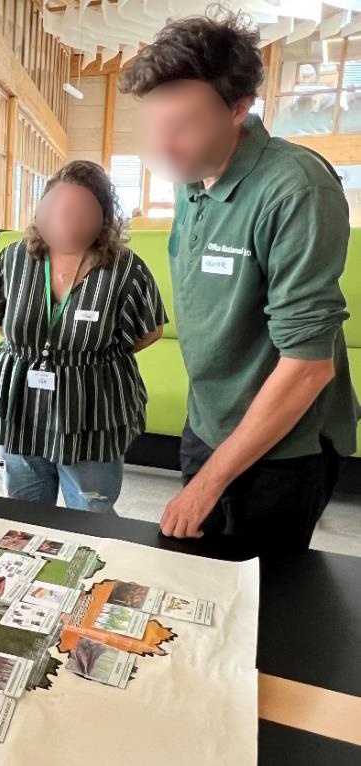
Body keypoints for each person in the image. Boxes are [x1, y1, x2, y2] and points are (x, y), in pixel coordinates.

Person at [119, 10, 358, 550]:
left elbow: (308, 366)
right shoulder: (192, 172)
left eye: (183, 126)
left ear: (239, 109)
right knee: (198, 573)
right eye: (156, 126)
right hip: (207, 421)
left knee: (263, 599)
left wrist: (209, 482)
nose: (165, 146)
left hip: (282, 448)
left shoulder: (295, 189)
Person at [0, 161, 166, 512]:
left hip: (91, 405)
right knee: (24, 510)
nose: (67, 220)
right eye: (59, 208)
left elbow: (150, 329)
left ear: (103, 216)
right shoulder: (16, 257)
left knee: (92, 510)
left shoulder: (125, 267)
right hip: (22, 401)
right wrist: (30, 350)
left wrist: (91, 356)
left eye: (80, 211)